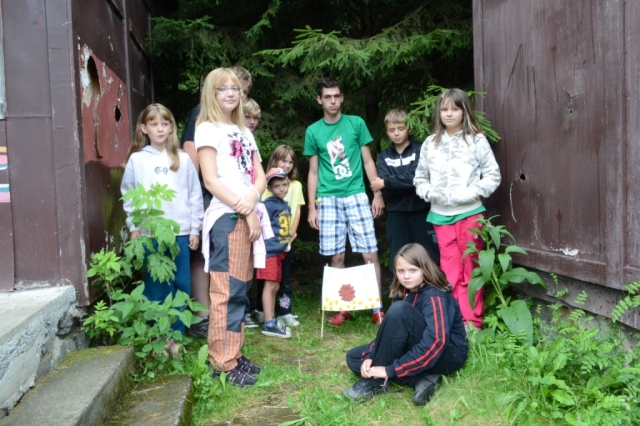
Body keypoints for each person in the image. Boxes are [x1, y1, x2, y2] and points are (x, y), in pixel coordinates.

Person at [195, 68, 266, 387]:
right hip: (226, 218)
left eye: (234, 88)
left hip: (246, 213)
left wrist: (252, 199)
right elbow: (211, 181)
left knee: (240, 289)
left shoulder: (244, 131)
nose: (229, 93)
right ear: (211, 94)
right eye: (222, 88)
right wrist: (246, 209)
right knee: (226, 290)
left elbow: (259, 175)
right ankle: (222, 362)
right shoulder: (207, 129)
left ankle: (233, 354)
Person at [413, 88, 501, 329]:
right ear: (438, 113)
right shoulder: (430, 143)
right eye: (444, 109)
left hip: (470, 213)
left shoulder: (476, 140)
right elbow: (420, 178)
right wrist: (430, 193)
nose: (449, 114)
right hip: (440, 216)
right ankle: (453, 322)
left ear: (464, 111)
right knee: (449, 269)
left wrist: (470, 193)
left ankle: (472, 321)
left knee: (471, 267)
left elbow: (492, 175)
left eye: (454, 109)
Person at [304, 77, 385, 327]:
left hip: (356, 194)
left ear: (342, 98)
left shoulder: (356, 123)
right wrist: (312, 207)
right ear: (319, 100)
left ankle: (377, 308)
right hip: (328, 198)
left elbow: (368, 161)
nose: (333, 101)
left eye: (336, 96)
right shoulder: (313, 131)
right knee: (336, 256)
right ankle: (343, 308)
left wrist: (377, 193)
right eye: (327, 97)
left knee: (369, 252)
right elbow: (313, 172)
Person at [343, 243, 468, 406]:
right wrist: (371, 356)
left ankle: (375, 382)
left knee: (399, 310)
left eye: (412, 270)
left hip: (446, 355)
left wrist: (390, 370)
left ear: (425, 269)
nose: (406, 276)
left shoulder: (435, 295)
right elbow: (389, 333)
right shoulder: (408, 293)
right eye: (401, 271)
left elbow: (436, 342)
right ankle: (420, 379)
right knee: (355, 357)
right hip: (420, 346)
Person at [181, 66, 253, 338]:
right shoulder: (203, 115)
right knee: (203, 255)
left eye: (240, 91)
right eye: (228, 88)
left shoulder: (238, 126)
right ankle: (204, 316)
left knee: (226, 263)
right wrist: (193, 193)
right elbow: (191, 153)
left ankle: (225, 319)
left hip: (233, 198)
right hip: (205, 193)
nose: (236, 96)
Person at [121, 103, 203, 334]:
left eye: (165, 124)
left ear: (171, 128)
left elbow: (194, 195)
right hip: (150, 233)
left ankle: (176, 335)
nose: (159, 129)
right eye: (154, 124)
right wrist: (134, 228)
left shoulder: (183, 159)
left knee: (181, 282)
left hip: (180, 233)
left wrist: (194, 229)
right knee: (156, 282)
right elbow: (129, 196)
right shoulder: (137, 160)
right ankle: (158, 333)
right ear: (144, 128)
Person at [371, 109, 441, 273]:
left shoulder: (420, 150)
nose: (396, 133)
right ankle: (400, 290)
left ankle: (434, 288)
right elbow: (387, 190)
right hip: (396, 215)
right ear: (387, 131)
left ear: (409, 128)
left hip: (422, 212)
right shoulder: (383, 156)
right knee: (399, 256)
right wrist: (399, 184)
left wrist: (386, 182)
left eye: (400, 128)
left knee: (429, 255)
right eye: (391, 130)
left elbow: (417, 178)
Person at [258, 145, 305, 328]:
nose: (287, 165)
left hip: (285, 243)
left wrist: (290, 237)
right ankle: (266, 316)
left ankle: (284, 312)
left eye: (290, 162)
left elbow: (297, 212)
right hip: (271, 248)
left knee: (280, 280)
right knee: (269, 282)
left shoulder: (294, 188)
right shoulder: (267, 194)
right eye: (283, 160)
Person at [257, 168, 293, 338]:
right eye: (277, 186)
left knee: (276, 286)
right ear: (269, 189)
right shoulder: (268, 205)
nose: (281, 189)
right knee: (270, 286)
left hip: (280, 252)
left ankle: (271, 317)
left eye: (284, 184)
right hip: (269, 252)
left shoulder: (284, 204)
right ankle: (269, 323)